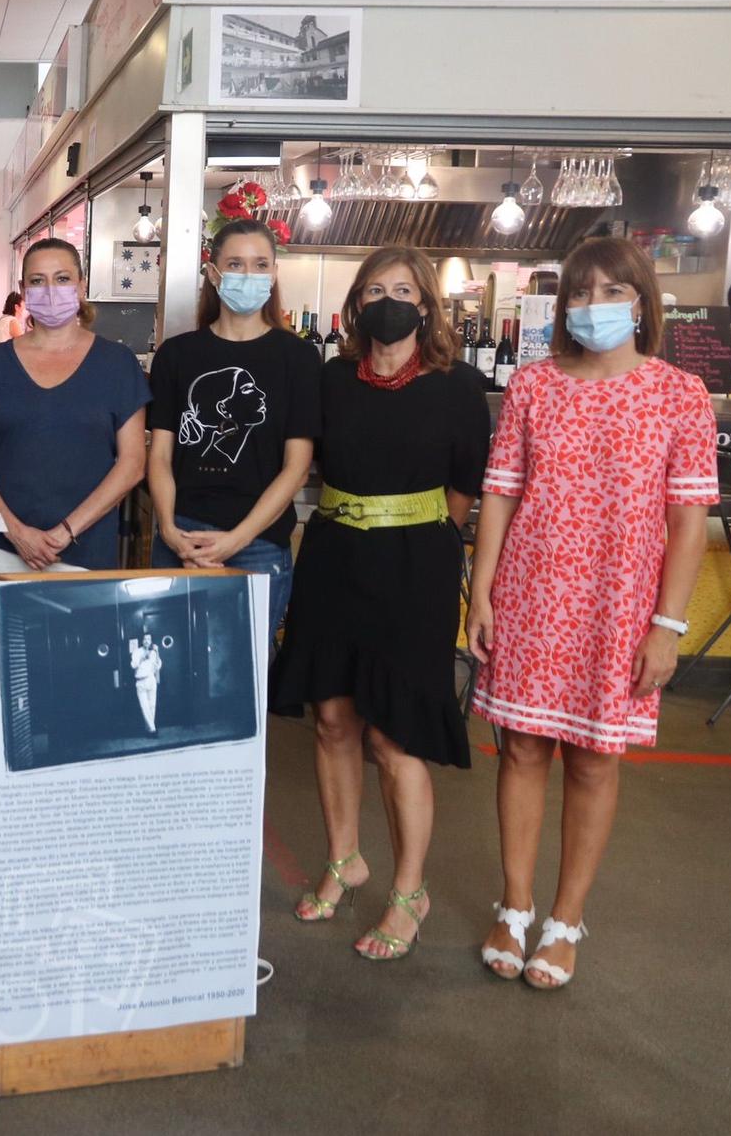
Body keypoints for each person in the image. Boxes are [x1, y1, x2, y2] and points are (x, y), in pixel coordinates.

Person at [468, 237, 715, 990]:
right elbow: (502, 493)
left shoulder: (680, 394)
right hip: (534, 594)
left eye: (612, 290)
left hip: (622, 605)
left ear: (642, 300)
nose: (595, 305)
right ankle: (515, 904)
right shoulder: (534, 388)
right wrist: (480, 592)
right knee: (521, 750)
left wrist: (668, 627)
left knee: (595, 760)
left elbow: (689, 520)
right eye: (580, 292)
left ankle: (566, 919)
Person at [270, 246, 491, 960]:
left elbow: (464, 490)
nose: (388, 300)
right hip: (334, 553)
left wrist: (413, 533)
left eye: (403, 289)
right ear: (355, 305)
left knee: (394, 735)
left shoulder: (459, 386)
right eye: (375, 289)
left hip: (414, 565)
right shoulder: (331, 378)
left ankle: (410, 891)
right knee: (332, 717)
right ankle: (343, 860)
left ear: (425, 305)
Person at [148, 219, 320, 633]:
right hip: (181, 533)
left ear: (275, 272)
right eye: (236, 264)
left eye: (261, 265)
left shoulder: (297, 358)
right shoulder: (177, 355)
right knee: (169, 670)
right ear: (213, 273)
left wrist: (236, 539)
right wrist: (169, 528)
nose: (250, 275)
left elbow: (296, 467)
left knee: (239, 681)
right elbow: (160, 455)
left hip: (258, 544)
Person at [0, 237, 149, 573]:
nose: (50, 290)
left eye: (62, 279)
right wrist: (16, 533)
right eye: (37, 281)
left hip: (86, 546)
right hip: (3, 545)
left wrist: (66, 531)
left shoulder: (118, 364)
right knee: (7, 628)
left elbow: (132, 463)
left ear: (80, 286)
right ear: (23, 289)